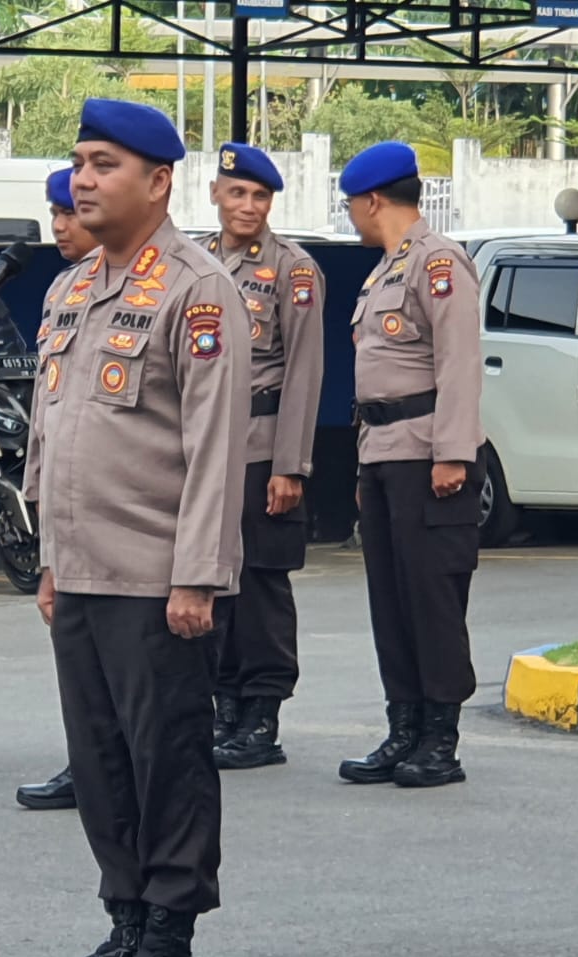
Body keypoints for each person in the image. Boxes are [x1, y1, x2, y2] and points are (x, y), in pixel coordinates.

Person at [27, 98, 248, 957]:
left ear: (158, 182)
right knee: (101, 758)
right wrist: (45, 555)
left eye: (105, 163)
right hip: (78, 568)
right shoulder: (71, 287)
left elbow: (216, 446)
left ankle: (171, 940)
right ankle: (123, 920)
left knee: (168, 758)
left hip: (158, 576)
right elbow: (50, 433)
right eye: (79, 160)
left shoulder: (200, 289)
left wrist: (196, 574)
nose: (83, 178)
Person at [335, 142, 485, 790]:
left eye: (351, 206)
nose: (351, 217)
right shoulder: (385, 271)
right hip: (385, 454)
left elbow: (458, 362)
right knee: (391, 602)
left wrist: (453, 453)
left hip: (429, 455)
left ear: (372, 201)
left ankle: (440, 740)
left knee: (431, 601)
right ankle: (404, 728)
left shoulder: (438, 262)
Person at [199, 142, 325, 770]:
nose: (247, 205)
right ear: (215, 193)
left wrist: (289, 464)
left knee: (260, 585)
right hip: (205, 448)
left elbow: (304, 370)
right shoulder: (193, 261)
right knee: (209, 579)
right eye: (237, 192)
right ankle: (224, 706)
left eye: (260, 195)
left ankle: (262, 714)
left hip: (260, 443)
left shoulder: (292, 269)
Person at [16, 166, 101, 812]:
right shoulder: (62, 290)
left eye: (69, 214)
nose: (61, 228)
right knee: (73, 651)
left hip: (120, 502)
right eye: (55, 216)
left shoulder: (168, 287)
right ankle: (88, 761)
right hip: (63, 498)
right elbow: (48, 403)